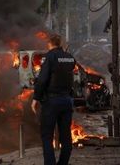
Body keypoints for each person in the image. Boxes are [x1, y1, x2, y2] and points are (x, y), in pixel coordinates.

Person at [31, 34, 76, 165]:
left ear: (49, 44)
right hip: (67, 101)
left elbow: (42, 80)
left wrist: (35, 99)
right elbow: (70, 76)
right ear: (60, 43)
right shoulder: (70, 58)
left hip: (52, 102)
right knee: (66, 137)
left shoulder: (49, 57)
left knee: (47, 136)